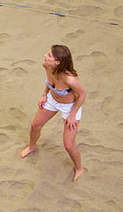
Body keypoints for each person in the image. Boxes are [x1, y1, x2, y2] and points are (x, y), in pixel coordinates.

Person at [20, 45, 86, 181]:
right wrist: (44, 95)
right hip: (52, 99)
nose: (45, 56)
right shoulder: (47, 66)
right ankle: (32, 146)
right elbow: (49, 82)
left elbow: (83, 95)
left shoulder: (69, 79)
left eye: (49, 55)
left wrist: (72, 114)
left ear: (58, 62)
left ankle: (79, 168)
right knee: (35, 126)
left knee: (68, 145)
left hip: (70, 107)